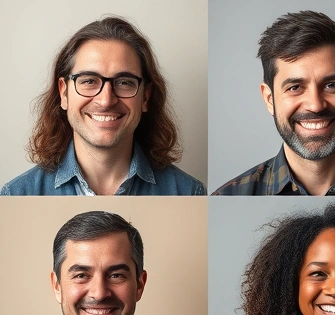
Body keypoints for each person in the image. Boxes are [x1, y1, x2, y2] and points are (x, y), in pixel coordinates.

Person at [215, 11, 335, 196]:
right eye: (295, 87)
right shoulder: (226, 196)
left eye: (331, 85)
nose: (316, 105)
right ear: (269, 99)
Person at [1, 17, 204, 196]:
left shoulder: (189, 191)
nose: (106, 100)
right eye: (89, 81)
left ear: (145, 97)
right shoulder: (16, 194)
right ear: (64, 93)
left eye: (124, 82)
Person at [0, 211, 206, 315]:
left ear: (140, 285)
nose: (99, 293)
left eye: (116, 275)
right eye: (81, 275)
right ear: (57, 286)